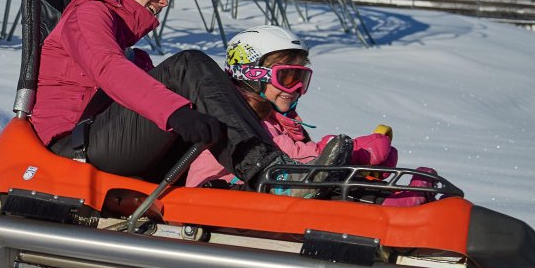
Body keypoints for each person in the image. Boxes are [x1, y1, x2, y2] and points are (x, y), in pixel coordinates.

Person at [31, 0, 327, 186]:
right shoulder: (88, 14)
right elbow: (108, 69)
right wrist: (175, 113)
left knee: (203, 97)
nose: (164, 1)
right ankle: (269, 174)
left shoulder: (131, 53)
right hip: (74, 147)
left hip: (106, 141)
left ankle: (249, 179)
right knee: (188, 66)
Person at [185, 25, 434, 205]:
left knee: (326, 185)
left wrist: (361, 165)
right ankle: (387, 208)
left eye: (301, 79)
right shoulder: (243, 124)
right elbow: (296, 161)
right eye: (288, 78)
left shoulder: (278, 121)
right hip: (220, 198)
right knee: (322, 188)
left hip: (260, 193)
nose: (295, 89)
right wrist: (356, 152)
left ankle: (384, 197)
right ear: (252, 74)